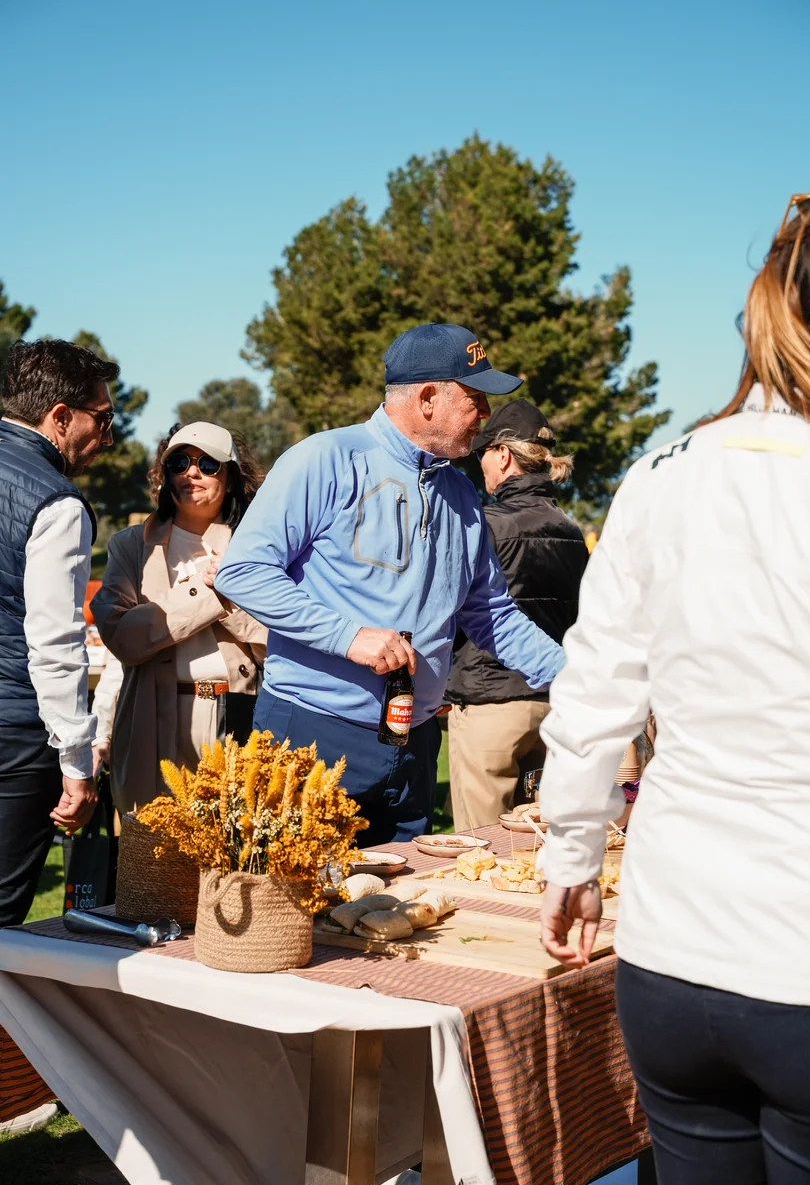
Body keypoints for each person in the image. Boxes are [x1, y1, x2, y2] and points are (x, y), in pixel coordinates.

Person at [538, 194, 810, 1185]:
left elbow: (596, 687)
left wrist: (569, 859)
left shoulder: (662, 474)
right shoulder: (671, 471)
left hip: (676, 947)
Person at [216, 323, 566, 847]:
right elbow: (242, 571)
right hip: (313, 732)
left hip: (415, 744)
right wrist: (348, 637)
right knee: (294, 919)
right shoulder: (325, 459)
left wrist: (576, 678)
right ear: (428, 398)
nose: (487, 417)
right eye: (476, 398)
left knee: (400, 914)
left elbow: (491, 615)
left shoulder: (463, 495)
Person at [91, 422, 266, 815]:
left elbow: (281, 637)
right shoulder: (130, 546)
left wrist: (235, 596)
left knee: (231, 859)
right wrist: (208, 592)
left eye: (208, 463)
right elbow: (121, 636)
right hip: (152, 717)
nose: (192, 472)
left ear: (231, 476)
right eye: (179, 462)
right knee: (156, 860)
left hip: (235, 713)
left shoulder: (257, 546)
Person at [0, 339, 116, 928]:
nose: (109, 437)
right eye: (104, 418)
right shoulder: (57, 502)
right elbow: (55, 642)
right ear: (60, 416)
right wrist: (76, 762)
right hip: (14, 735)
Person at [445, 399, 588, 829]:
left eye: (482, 453)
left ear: (503, 455)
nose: (479, 466)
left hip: (490, 702)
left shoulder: (482, 524)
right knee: (540, 846)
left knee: (480, 850)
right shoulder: (572, 530)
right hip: (554, 703)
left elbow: (455, 612)